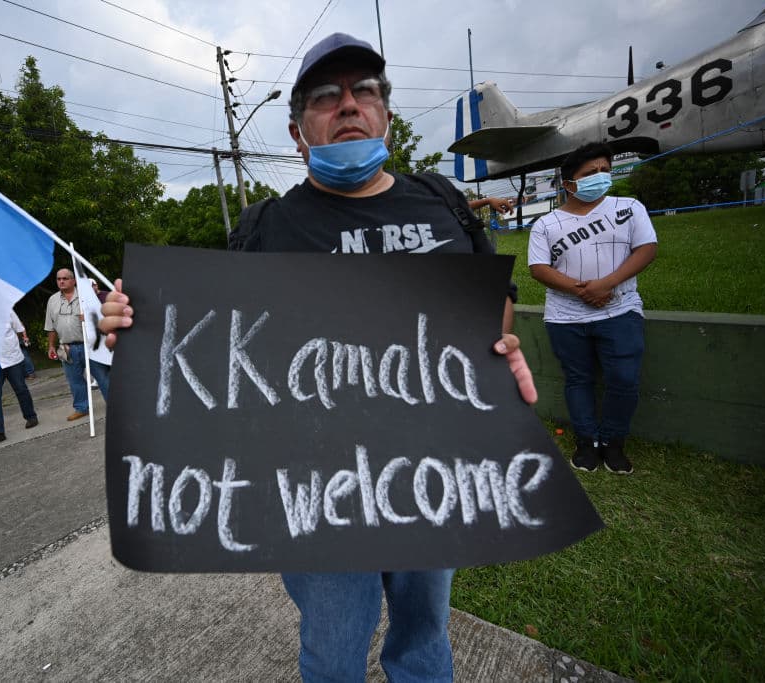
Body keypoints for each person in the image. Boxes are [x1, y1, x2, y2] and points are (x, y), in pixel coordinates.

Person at [100, 33, 537, 683]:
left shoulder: (443, 202)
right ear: (297, 131)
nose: (349, 104)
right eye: (326, 96)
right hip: (315, 489)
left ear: (386, 112)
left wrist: (499, 347)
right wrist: (137, 330)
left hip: (434, 472)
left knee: (424, 636)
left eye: (365, 91)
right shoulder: (265, 229)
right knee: (332, 652)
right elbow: (222, 350)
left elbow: (494, 313)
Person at [527, 142, 657, 475]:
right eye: (590, 173)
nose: (600, 177)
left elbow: (646, 249)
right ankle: (587, 442)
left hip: (620, 311)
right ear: (569, 184)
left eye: (604, 170)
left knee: (624, 380)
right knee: (578, 379)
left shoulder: (629, 207)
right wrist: (583, 291)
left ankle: (613, 442)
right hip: (566, 317)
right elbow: (538, 268)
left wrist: (607, 284)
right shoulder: (546, 224)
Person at [45, 268, 108, 421]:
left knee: (103, 377)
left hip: (91, 346)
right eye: (59, 279)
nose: (61, 281)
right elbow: (50, 326)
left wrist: (89, 318)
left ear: (73, 280)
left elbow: (102, 318)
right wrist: (51, 346)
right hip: (67, 348)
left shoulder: (87, 296)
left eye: (65, 278)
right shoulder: (52, 300)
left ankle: (115, 404)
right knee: (75, 380)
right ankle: (82, 408)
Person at [0, 311, 39, 443]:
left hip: (12, 359)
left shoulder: (8, 310)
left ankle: (31, 417)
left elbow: (19, 329)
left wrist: (16, 342)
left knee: (21, 389)